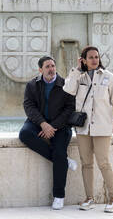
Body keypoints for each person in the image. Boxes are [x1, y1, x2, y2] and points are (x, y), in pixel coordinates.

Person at [63, 46, 113, 213]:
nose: (94, 60)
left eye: (96, 57)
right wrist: (77, 69)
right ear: (84, 60)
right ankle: (89, 198)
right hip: (84, 128)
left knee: (104, 162)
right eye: (90, 57)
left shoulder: (109, 77)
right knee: (86, 164)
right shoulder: (79, 77)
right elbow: (67, 89)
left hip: (102, 127)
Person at [19, 56, 78, 210]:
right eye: (47, 67)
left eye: (53, 65)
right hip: (39, 122)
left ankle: (59, 196)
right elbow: (28, 106)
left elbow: (70, 108)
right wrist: (43, 124)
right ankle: (64, 161)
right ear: (40, 70)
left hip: (60, 125)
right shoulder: (32, 85)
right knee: (24, 134)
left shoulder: (66, 84)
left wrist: (53, 126)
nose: (51, 69)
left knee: (59, 152)